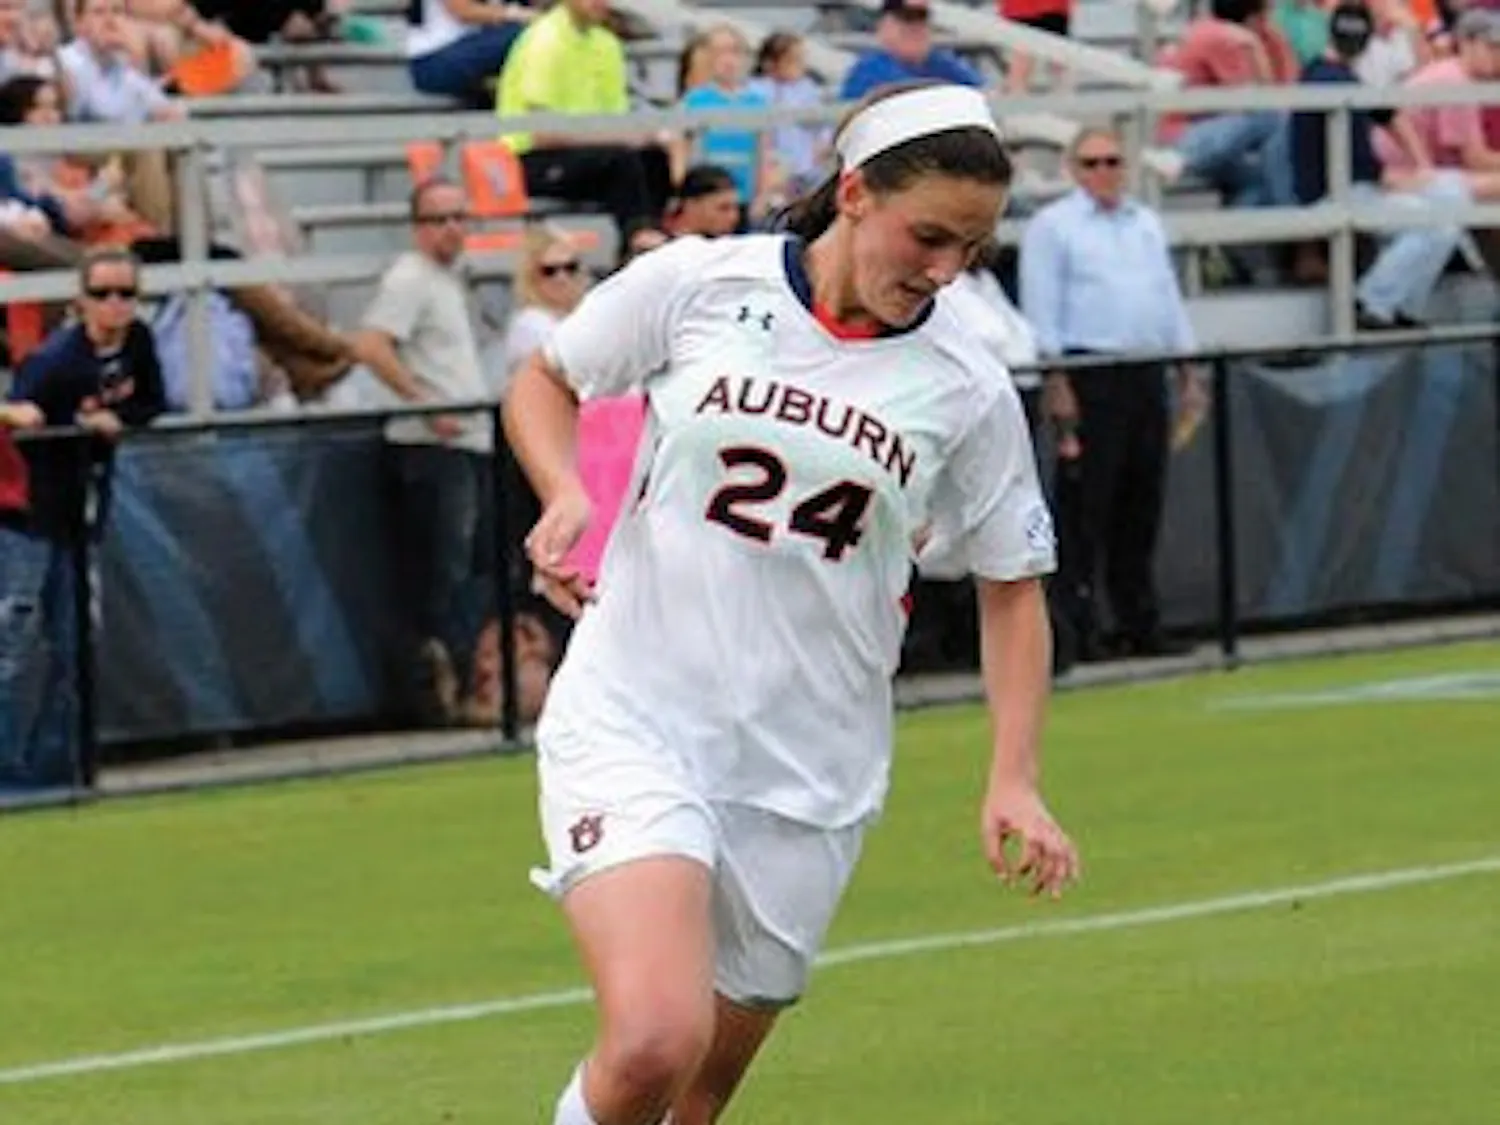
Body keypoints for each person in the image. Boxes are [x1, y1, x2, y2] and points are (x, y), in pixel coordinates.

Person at [503, 80, 1080, 1125]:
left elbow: (1012, 588)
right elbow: (545, 381)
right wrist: (566, 490)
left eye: (973, 251)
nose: (946, 271)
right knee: (652, 1041)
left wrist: (1016, 779)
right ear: (854, 193)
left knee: (694, 1097)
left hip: (809, 766)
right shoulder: (699, 283)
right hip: (637, 713)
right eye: (929, 236)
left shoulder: (968, 385)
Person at [1021, 127, 1205, 665]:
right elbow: (1042, 304)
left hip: (1144, 370)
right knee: (1086, 508)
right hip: (1090, 370)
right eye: (1093, 162)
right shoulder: (1053, 227)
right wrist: (1056, 378)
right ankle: (1082, 628)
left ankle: (1138, 620)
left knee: (1140, 502)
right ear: (1075, 169)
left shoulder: (1144, 223)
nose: (1104, 171)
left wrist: (1186, 366)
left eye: (1113, 161)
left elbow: (1165, 297)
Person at [1, 247, 164, 784]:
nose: (114, 305)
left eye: (125, 294)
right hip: (26, 513)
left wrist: (114, 419)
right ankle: (10, 770)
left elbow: (152, 403)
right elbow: (24, 417)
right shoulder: (54, 362)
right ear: (80, 300)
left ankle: (59, 767)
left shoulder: (138, 344)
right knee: (19, 642)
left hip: (79, 510)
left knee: (72, 644)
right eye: (102, 294)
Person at [351, 178, 495, 726]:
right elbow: (370, 343)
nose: (451, 228)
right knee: (439, 577)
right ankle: (433, 697)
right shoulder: (410, 277)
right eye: (438, 219)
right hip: (431, 447)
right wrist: (423, 401)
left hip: (459, 442)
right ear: (417, 227)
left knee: (456, 574)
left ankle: (453, 690)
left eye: (459, 216)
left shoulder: (448, 280)